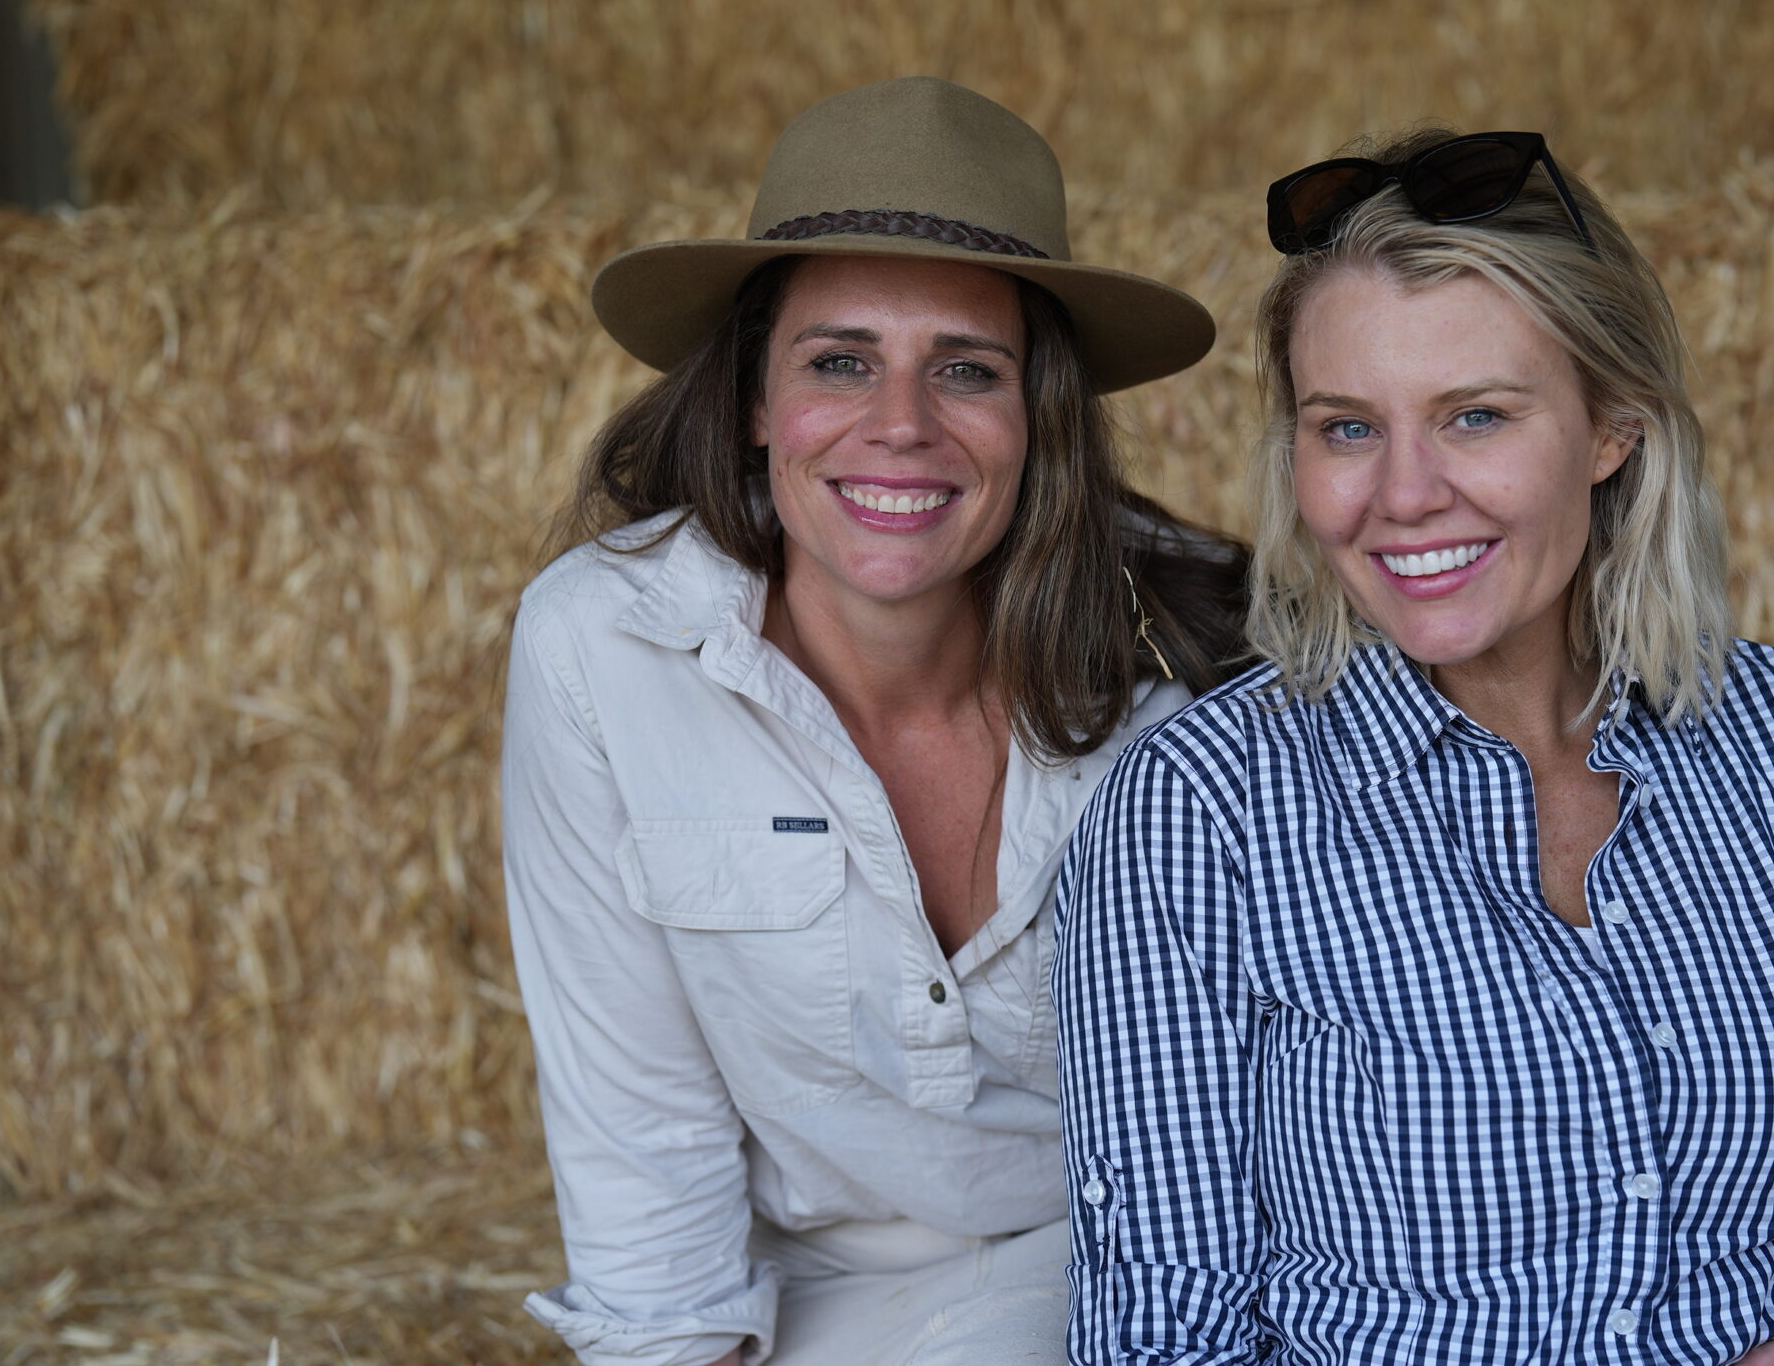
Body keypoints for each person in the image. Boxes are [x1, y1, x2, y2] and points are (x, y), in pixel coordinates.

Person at [1052, 129, 1774, 1366]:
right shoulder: (1202, 809)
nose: (1402, 492)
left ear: (1613, 429)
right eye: (1345, 429)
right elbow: (1166, 1340)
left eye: (1476, 416)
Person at [502, 76, 1246, 1366]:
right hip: (803, 1300)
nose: (899, 426)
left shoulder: (1186, 667)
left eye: (966, 371)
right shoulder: (604, 647)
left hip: (1129, 1269)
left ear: (1039, 418)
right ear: (750, 399)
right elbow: (640, 1126)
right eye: (840, 361)